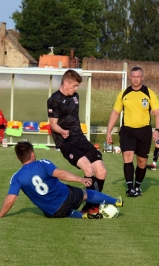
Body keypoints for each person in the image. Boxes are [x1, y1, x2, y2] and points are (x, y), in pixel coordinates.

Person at [0, 141, 123, 219]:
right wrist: (80, 179)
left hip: (52, 212)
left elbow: (11, 199)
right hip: (68, 197)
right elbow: (61, 174)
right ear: (33, 154)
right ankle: (116, 202)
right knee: (85, 194)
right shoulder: (42, 163)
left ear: (19, 158)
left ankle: (83, 216)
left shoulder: (16, 177)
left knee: (63, 210)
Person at [47, 69, 107, 213]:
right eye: (74, 85)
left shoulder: (75, 96)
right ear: (66, 83)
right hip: (66, 143)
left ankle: (93, 204)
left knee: (102, 171)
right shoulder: (54, 100)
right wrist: (62, 131)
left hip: (80, 139)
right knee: (88, 168)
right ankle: (92, 205)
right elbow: (53, 124)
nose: (76, 89)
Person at [106, 67, 159, 197]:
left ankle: (137, 186)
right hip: (127, 131)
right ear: (130, 77)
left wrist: (157, 130)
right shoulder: (123, 94)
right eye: (133, 76)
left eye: (138, 76)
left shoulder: (149, 93)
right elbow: (115, 113)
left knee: (142, 162)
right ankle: (130, 188)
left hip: (144, 131)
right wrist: (109, 131)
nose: (136, 79)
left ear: (142, 78)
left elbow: (158, 112)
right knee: (128, 157)